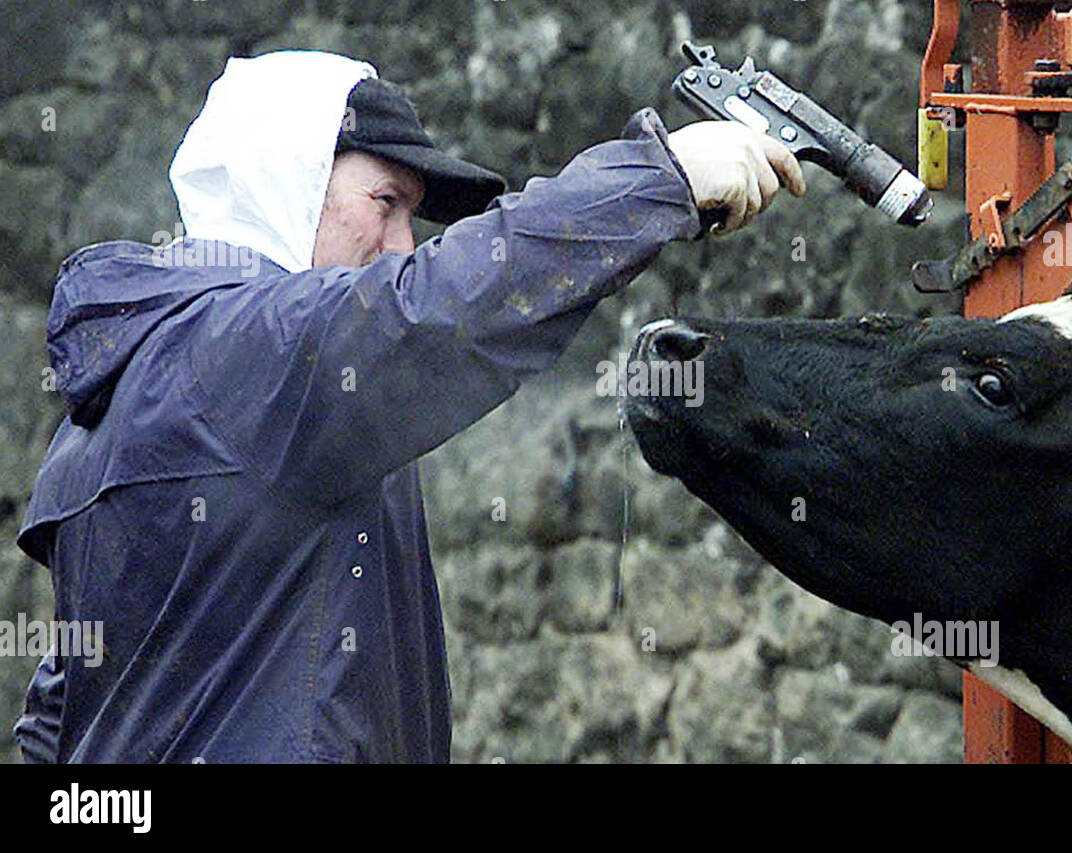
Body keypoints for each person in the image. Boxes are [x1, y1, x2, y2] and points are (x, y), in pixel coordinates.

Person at [12, 50, 803, 762]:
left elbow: (62, 718)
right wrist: (658, 178)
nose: (402, 244)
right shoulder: (248, 351)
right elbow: (437, 305)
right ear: (282, 178)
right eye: (385, 200)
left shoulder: (112, 404)